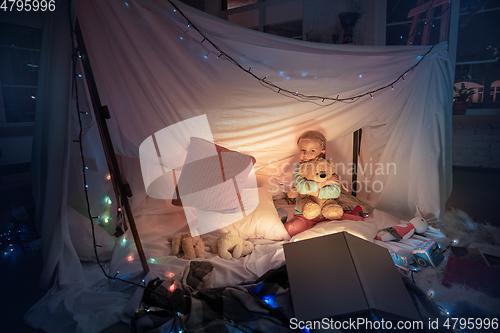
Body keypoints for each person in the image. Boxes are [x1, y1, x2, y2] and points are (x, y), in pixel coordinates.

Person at [284, 131, 341, 237]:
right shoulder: (298, 168)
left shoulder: (326, 167)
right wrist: (325, 183)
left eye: (312, 150)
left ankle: (357, 215)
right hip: (304, 214)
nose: (306, 154)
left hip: (326, 211)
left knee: (340, 224)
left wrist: (313, 192)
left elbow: (335, 192)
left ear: (322, 152)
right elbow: (301, 188)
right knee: (293, 231)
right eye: (303, 150)